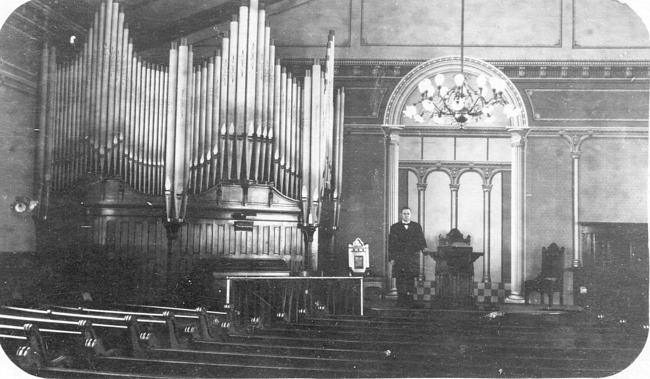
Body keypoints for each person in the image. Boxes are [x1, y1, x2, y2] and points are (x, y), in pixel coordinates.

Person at [388, 206, 430, 306]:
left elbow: (421, 240)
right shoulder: (395, 227)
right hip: (399, 258)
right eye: (404, 214)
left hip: (412, 257)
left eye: (408, 214)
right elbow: (391, 243)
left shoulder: (416, 226)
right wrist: (391, 258)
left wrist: (424, 248)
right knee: (400, 278)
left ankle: (410, 300)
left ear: (410, 215)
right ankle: (400, 300)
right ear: (401, 215)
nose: (406, 216)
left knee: (411, 278)